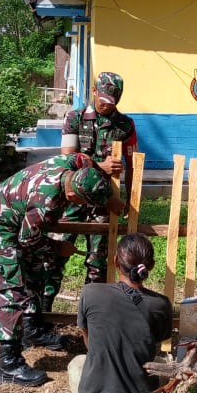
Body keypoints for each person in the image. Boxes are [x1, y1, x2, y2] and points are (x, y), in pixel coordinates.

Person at [0, 153, 121, 387]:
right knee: (12, 290)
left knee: (34, 273)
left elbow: (86, 160)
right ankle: (8, 363)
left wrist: (105, 183)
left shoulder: (77, 163)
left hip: (17, 222)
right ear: (72, 196)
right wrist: (58, 248)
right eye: (83, 203)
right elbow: (28, 239)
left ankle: (32, 330)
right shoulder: (46, 203)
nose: (82, 207)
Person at [42, 71, 139, 311]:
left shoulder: (125, 125)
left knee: (98, 262)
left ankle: (91, 316)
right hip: (71, 199)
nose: (106, 105)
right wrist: (98, 166)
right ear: (94, 91)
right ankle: (43, 312)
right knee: (55, 256)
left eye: (112, 102)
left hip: (103, 202)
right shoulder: (74, 118)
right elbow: (67, 158)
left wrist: (132, 199)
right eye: (103, 100)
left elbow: (133, 164)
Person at [68, 232, 173, 393]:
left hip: (94, 392)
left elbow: (89, 341)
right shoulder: (162, 304)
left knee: (76, 363)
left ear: (116, 260)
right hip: (141, 391)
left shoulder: (90, 292)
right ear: (151, 266)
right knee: (163, 364)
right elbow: (155, 343)